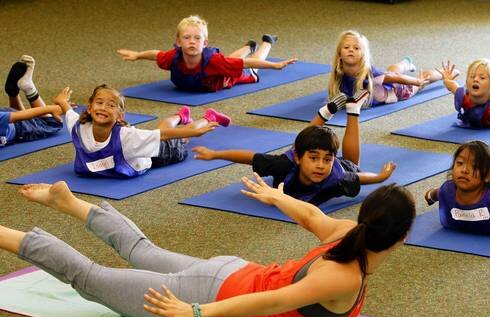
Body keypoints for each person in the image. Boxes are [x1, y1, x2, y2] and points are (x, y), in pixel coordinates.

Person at [2, 178, 415, 317]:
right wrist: (198, 313)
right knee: (90, 278)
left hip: (230, 269)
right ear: (401, 239)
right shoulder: (345, 277)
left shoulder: (345, 232)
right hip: (215, 290)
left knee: (142, 251)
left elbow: (311, 215)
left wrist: (278, 197)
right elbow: (271, 303)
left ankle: (70, 203)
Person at [192, 92, 397, 205]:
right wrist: (214, 154)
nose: (320, 165)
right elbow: (249, 157)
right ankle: (324, 114)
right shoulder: (285, 163)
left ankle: (353, 111)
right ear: (299, 159)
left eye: (326, 159)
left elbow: (361, 178)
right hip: (292, 168)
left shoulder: (336, 176)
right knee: (300, 145)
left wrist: (381, 177)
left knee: (354, 166)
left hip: (336, 172)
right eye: (314, 159)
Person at [53, 84, 230, 178]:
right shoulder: (80, 127)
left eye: (111, 105)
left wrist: (195, 133)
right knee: (158, 129)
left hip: (155, 156)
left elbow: (165, 135)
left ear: (120, 116)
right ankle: (180, 115)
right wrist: (61, 101)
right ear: (90, 108)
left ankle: (207, 118)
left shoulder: (127, 136)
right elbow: (69, 113)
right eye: (99, 103)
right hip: (140, 143)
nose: (103, 108)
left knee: (178, 141)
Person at [116, 15, 296, 92]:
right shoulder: (173, 57)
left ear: (205, 43)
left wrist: (275, 65)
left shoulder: (214, 61)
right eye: (187, 38)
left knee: (243, 67)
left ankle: (267, 43)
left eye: (197, 38)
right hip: (218, 66)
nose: (192, 41)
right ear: (178, 42)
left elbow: (248, 64)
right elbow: (156, 54)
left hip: (229, 78)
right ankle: (249, 46)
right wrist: (138, 55)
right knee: (228, 60)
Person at [327, 30, 445, 108]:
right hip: (384, 82)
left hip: (396, 90)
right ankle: (406, 63)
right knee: (390, 71)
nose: (351, 50)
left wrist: (417, 81)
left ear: (363, 55)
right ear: (339, 53)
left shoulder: (369, 72)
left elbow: (395, 77)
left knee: (423, 80)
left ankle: (444, 73)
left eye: (356, 48)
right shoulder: (339, 71)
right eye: (346, 47)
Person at [1, 55, 63, 146]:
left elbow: (19, 116)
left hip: (15, 125)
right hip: (8, 117)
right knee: (51, 123)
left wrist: (51, 109)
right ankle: (14, 93)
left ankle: (28, 89)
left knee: (53, 123)